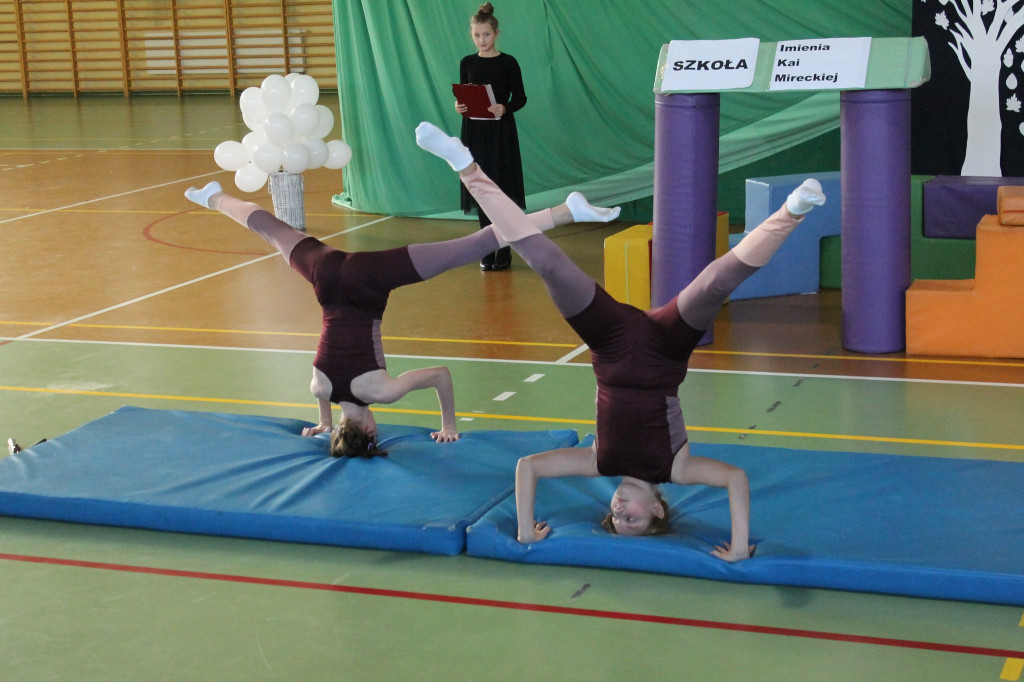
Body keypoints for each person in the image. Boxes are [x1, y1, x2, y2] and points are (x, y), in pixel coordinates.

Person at [415, 120, 825, 562]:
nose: (618, 510)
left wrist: (527, 528)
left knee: (546, 262)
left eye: (614, 518)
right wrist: (740, 546)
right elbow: (735, 479)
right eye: (632, 519)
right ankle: (793, 210)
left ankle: (464, 165)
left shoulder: (599, 462)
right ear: (658, 508)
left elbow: (527, 467)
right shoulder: (678, 467)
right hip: (666, 349)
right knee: (715, 282)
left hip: (609, 344)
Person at [183, 180, 619, 458]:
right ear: (338, 426)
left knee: (477, 244)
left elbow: (441, 376)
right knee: (270, 230)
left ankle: (565, 212)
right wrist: (320, 420)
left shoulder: (381, 391)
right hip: (328, 274)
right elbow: (321, 391)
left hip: (368, 281)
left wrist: (449, 425)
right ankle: (214, 196)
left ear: (370, 430)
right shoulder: (319, 385)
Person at [455, 2, 527, 271]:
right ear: (471, 35)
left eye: (486, 34)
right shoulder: (467, 63)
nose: (481, 40)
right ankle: (487, 247)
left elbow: (520, 97)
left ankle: (505, 249)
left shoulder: (508, 63)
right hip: (474, 133)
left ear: (496, 33)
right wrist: (460, 107)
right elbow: (464, 96)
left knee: (500, 190)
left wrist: (504, 107)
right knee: (480, 189)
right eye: (477, 35)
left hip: (500, 133)